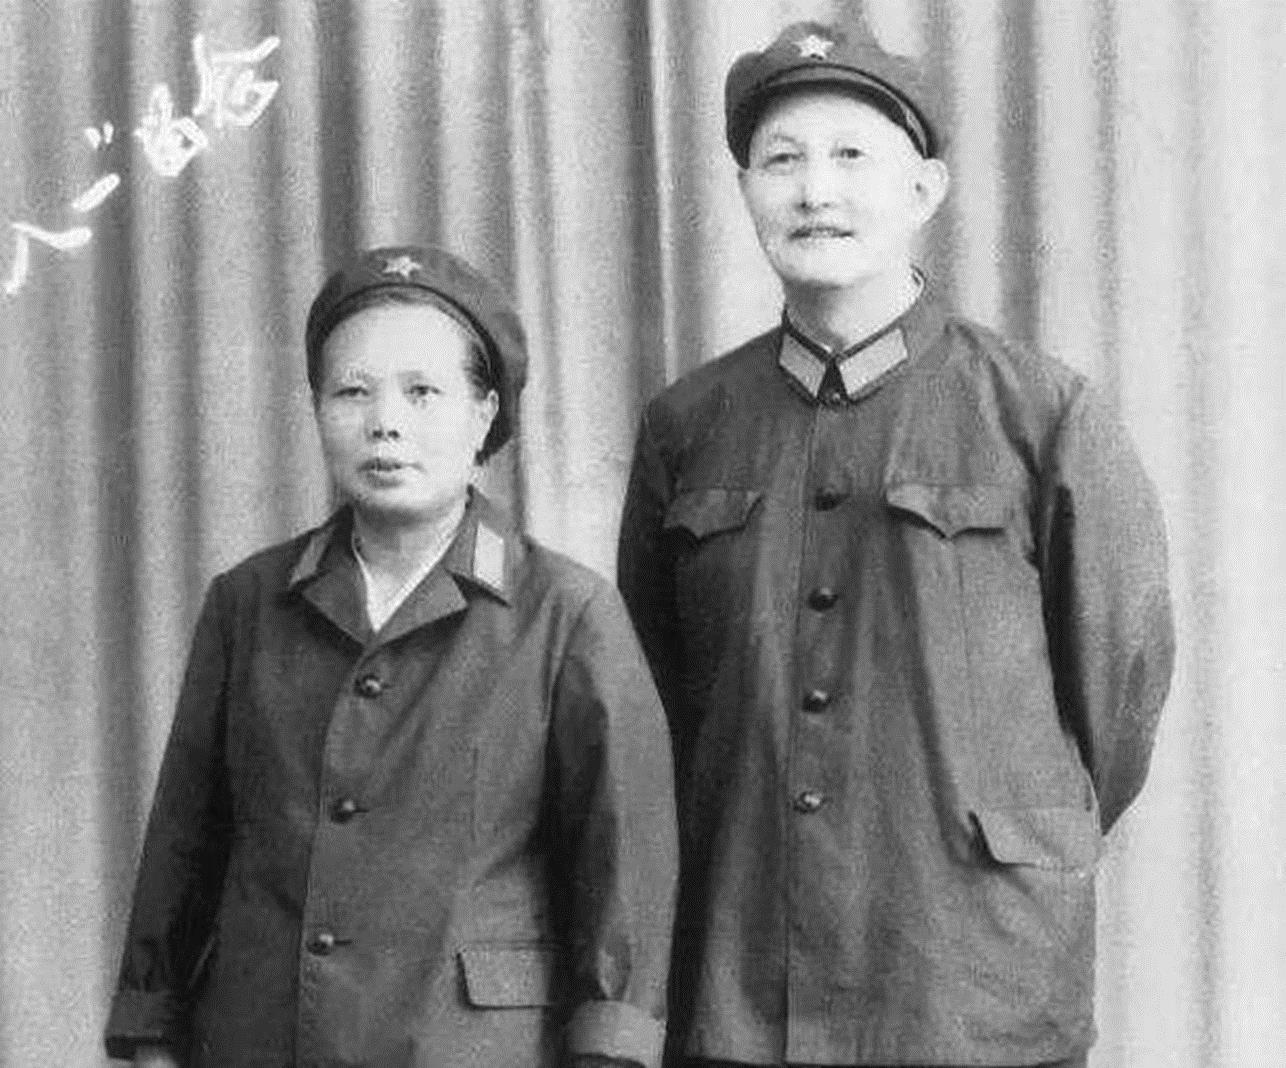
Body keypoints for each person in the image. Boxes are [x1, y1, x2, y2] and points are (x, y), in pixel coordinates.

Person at [617, 17, 1173, 1068]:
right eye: (782, 161)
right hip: (747, 981)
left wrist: (989, 837)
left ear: (923, 191)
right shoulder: (687, 426)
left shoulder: (1040, 416)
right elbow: (656, 698)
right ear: (744, 192)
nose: (814, 191)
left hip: (968, 980)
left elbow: (1118, 701)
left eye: (850, 156)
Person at [106, 245, 677, 1068]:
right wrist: (152, 1034)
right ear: (316, 408)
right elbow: (183, 845)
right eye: (352, 391)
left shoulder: (567, 614)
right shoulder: (248, 603)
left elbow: (625, 875)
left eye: (422, 392)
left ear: (484, 414)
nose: (385, 423)